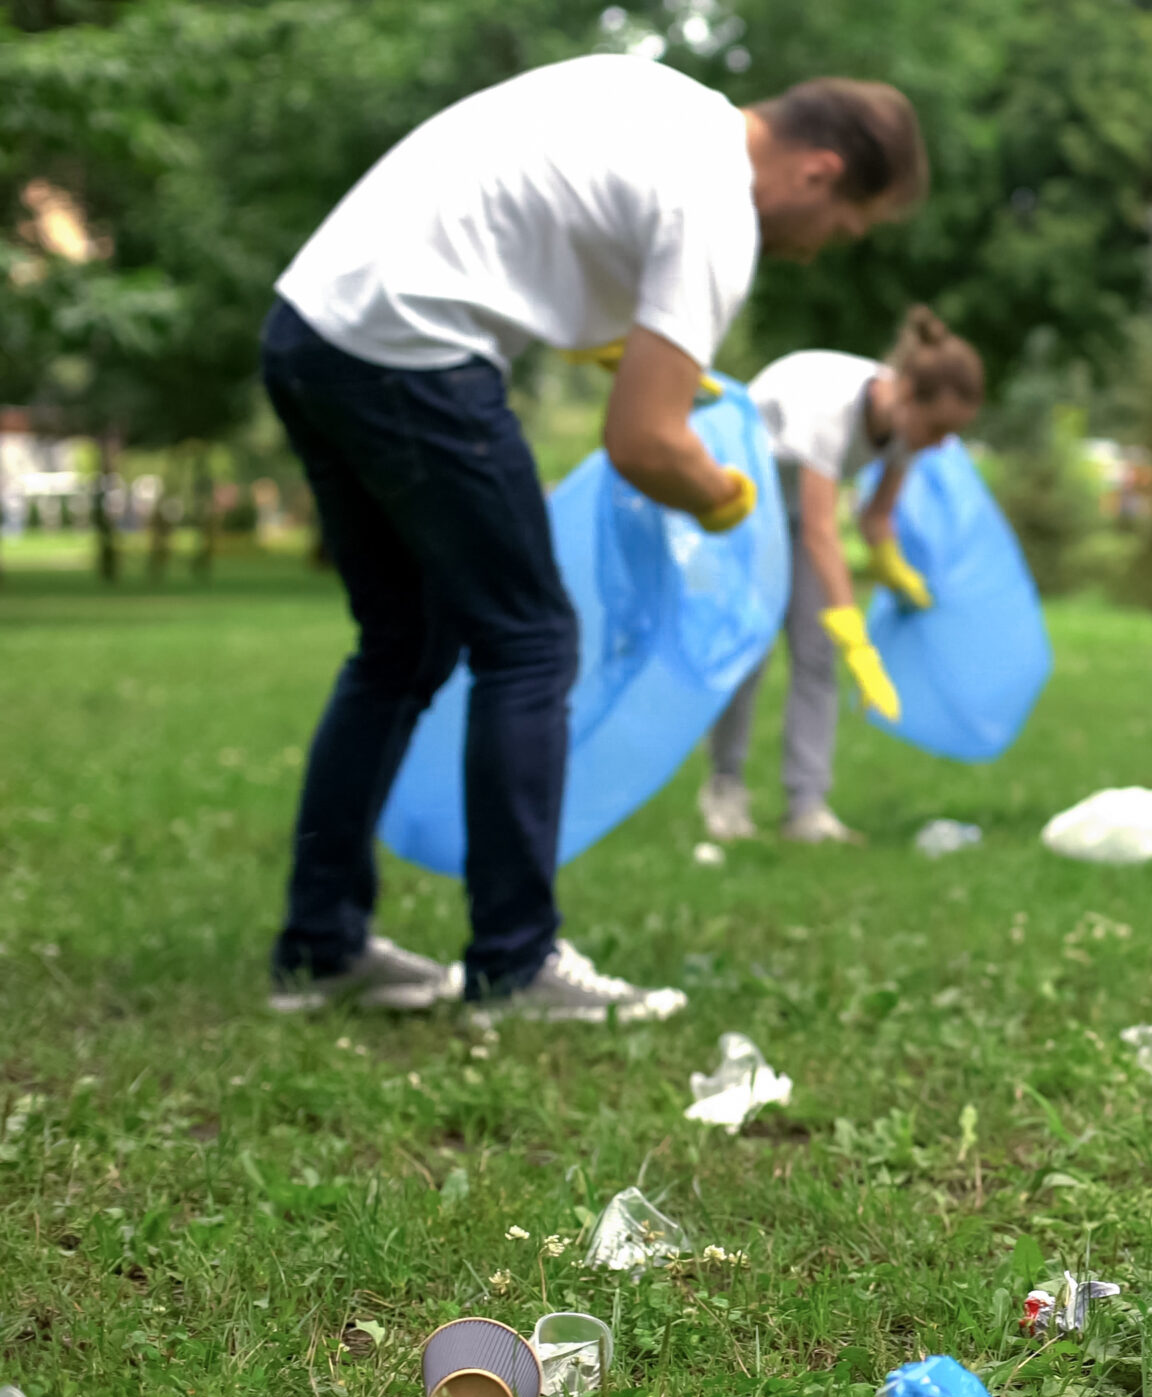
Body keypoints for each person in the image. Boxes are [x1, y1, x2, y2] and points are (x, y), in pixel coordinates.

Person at [263, 54, 929, 1021]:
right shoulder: (718, 211)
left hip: (312, 325)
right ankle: (515, 964)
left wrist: (611, 342)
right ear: (820, 170)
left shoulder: (662, 104)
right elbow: (644, 443)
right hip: (413, 348)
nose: (823, 247)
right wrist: (723, 494)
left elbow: (526, 214)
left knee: (401, 646)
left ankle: (322, 947)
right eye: (843, 225)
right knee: (530, 639)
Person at [698, 308, 985, 844]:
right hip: (745, 509)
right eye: (939, 427)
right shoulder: (829, 406)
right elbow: (821, 530)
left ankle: (807, 808)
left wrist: (893, 568)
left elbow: (874, 516)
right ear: (905, 395)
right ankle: (725, 789)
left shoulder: (905, 430)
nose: (943, 443)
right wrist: (857, 636)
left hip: (802, 516)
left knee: (816, 654)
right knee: (750, 653)